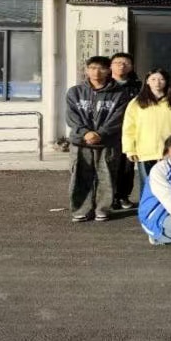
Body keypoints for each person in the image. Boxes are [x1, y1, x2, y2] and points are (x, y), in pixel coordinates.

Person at [65, 56, 127, 222]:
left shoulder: (119, 93)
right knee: (80, 175)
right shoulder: (75, 92)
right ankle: (81, 209)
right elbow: (71, 116)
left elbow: (118, 117)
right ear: (86, 70)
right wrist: (85, 133)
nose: (96, 72)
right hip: (81, 142)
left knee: (106, 175)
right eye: (92, 68)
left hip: (107, 142)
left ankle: (103, 209)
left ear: (108, 71)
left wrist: (101, 133)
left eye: (101, 68)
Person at [122, 68, 171, 185]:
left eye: (161, 79)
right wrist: (129, 149)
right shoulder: (137, 102)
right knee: (149, 186)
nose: (157, 82)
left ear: (166, 81)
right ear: (147, 81)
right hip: (146, 151)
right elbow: (129, 128)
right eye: (153, 79)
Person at [110, 53, 141, 210]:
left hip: (131, 131)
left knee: (128, 166)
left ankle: (123, 196)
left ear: (131, 66)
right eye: (117, 62)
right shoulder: (105, 85)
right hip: (110, 132)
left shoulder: (138, 86)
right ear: (111, 66)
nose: (121, 66)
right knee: (110, 165)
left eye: (126, 63)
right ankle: (110, 197)